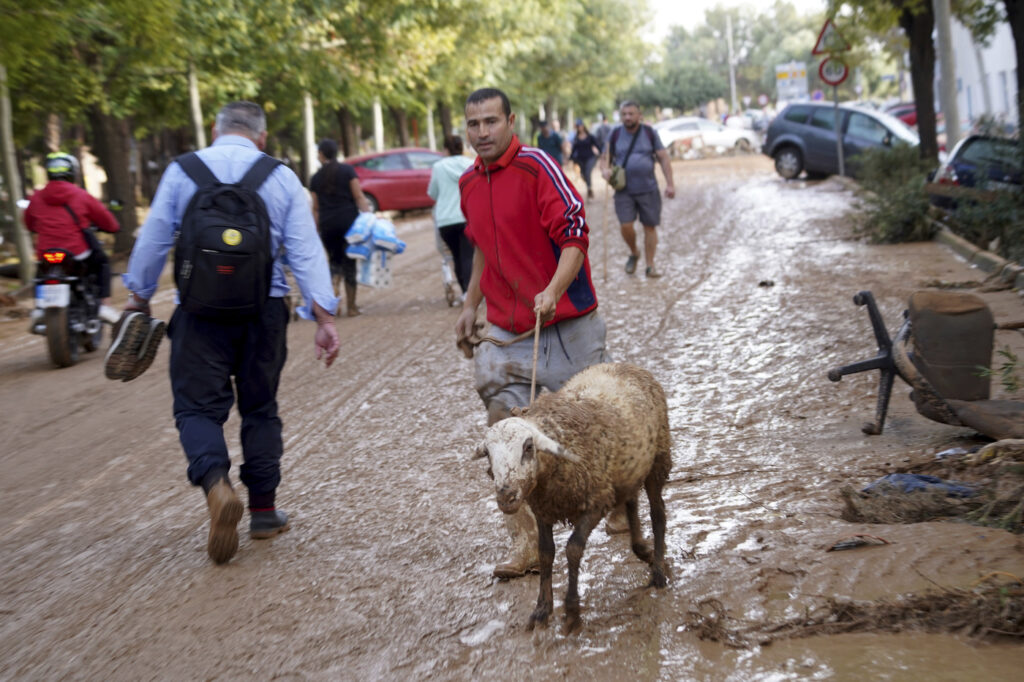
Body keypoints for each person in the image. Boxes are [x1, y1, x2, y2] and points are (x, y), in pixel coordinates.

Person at [116, 101, 341, 565]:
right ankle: (262, 511)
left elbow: (155, 238)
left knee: (196, 407)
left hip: (198, 316)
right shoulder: (279, 176)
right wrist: (324, 318)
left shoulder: (182, 171)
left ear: (216, 132)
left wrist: (137, 296)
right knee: (260, 408)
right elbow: (305, 251)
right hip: (263, 314)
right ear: (260, 137)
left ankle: (216, 483)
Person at [456, 87, 610, 579]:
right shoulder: (467, 183)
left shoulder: (538, 166)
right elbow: (481, 248)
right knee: (503, 432)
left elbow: (575, 236)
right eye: (473, 123)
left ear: (510, 121)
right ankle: (525, 544)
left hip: (566, 324)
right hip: (505, 329)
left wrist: (552, 289)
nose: (482, 132)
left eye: (491, 122)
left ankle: (623, 507)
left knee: (594, 430)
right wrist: (469, 305)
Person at [23, 152, 122, 324]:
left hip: (46, 252)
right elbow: (107, 220)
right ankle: (104, 305)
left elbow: (29, 223)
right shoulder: (80, 195)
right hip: (76, 251)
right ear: (72, 172)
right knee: (102, 263)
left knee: (41, 273)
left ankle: (39, 307)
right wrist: (113, 227)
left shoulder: (36, 197)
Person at [599, 100, 676, 278]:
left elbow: (663, 158)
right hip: (623, 189)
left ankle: (650, 265)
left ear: (639, 115)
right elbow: (605, 157)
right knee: (626, 226)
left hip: (648, 188)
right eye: (624, 114)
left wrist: (670, 184)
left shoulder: (649, 133)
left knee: (650, 226)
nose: (627, 117)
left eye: (631, 114)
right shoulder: (615, 134)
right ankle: (634, 252)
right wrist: (605, 170)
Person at [309, 138, 372, 317]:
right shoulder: (348, 170)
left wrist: (316, 229)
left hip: (327, 224)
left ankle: (334, 294)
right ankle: (351, 307)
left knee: (334, 262)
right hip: (349, 223)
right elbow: (359, 196)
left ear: (321, 154)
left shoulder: (315, 178)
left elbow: (315, 207)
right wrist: (369, 217)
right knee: (349, 263)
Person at [427, 135, 474, 299]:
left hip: (445, 220)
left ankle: (464, 290)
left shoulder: (438, 167)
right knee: (468, 255)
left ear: (446, 149)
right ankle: (469, 292)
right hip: (467, 217)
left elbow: (432, 193)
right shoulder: (470, 164)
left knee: (456, 255)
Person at [569, 119, 601, 199]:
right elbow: (574, 149)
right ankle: (588, 185)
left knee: (588, 172)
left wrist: (601, 153)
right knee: (583, 174)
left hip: (590, 157)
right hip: (580, 159)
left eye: (580, 126)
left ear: (583, 126)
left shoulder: (590, 137)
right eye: (578, 126)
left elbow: (597, 145)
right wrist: (571, 157)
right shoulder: (576, 138)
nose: (579, 127)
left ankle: (589, 188)